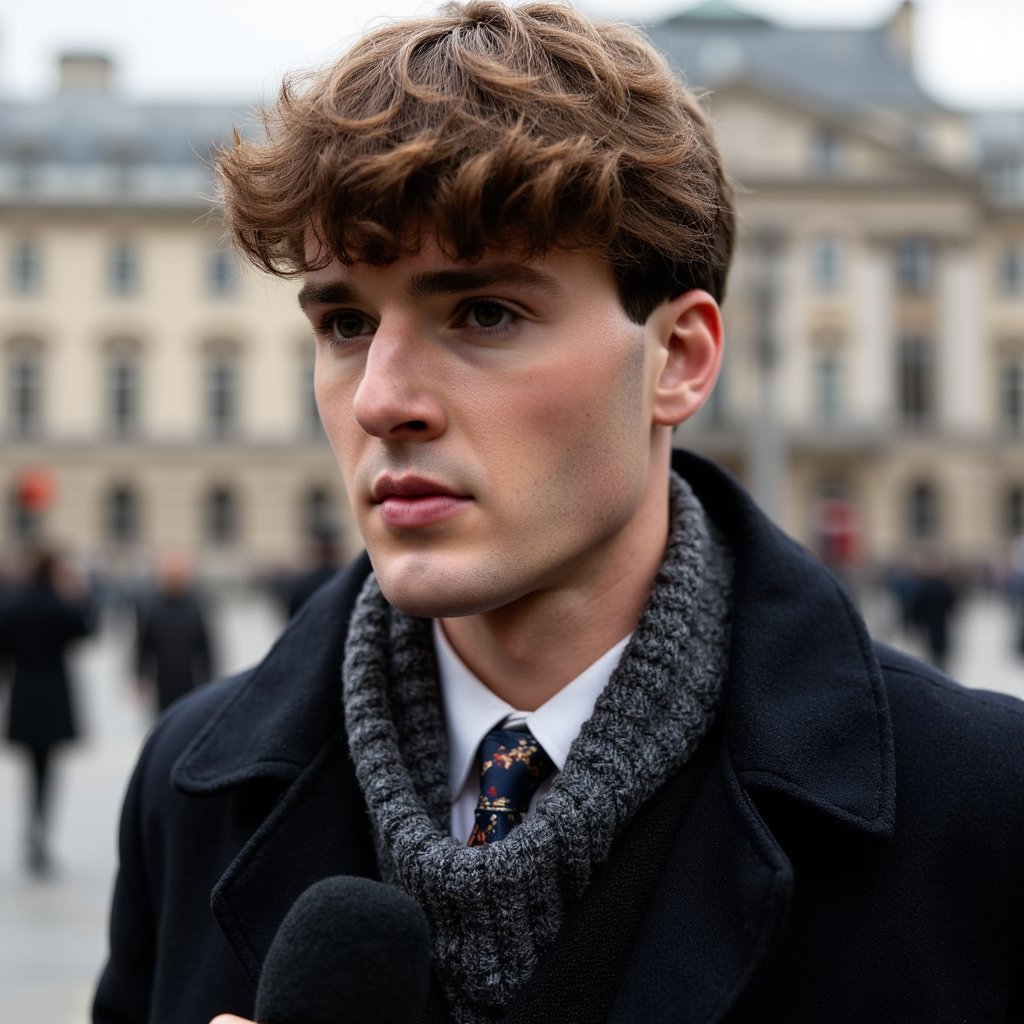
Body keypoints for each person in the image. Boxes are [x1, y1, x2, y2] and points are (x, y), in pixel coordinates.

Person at [93, 4, 1024, 1022]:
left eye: (482, 313)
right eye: (347, 323)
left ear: (678, 358)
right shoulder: (186, 790)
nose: (378, 398)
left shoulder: (980, 806)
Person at [0, 546, 93, 875]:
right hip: (54, 694)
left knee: (30, 767)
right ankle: (40, 831)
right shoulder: (58, 605)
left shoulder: (14, 604)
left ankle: (31, 829)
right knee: (48, 769)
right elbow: (86, 630)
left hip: (24, 692)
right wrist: (78, 592)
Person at [134, 552, 215, 714]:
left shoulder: (195, 605)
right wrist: (139, 677)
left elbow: (206, 646)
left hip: (190, 677)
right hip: (162, 677)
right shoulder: (151, 606)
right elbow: (143, 645)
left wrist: (210, 679)